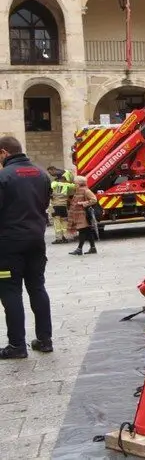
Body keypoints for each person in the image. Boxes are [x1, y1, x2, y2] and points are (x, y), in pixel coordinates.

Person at [0, 136, 53, 359]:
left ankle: (17, 345)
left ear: (4, 153)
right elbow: (45, 203)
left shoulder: (3, 177)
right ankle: (45, 340)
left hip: (9, 244)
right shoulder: (41, 173)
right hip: (36, 240)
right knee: (37, 287)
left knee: (10, 291)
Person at [68, 176, 99, 256]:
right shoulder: (78, 191)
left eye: (75, 183)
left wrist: (83, 203)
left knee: (82, 231)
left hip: (84, 214)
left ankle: (79, 249)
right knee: (87, 231)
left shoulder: (86, 190)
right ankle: (93, 248)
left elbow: (94, 200)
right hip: (78, 215)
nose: (74, 184)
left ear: (79, 183)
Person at [48, 168, 75, 244]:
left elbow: (50, 188)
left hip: (55, 205)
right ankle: (66, 237)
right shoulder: (67, 185)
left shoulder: (54, 183)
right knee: (64, 221)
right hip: (63, 206)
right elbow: (74, 185)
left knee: (57, 222)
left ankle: (59, 238)